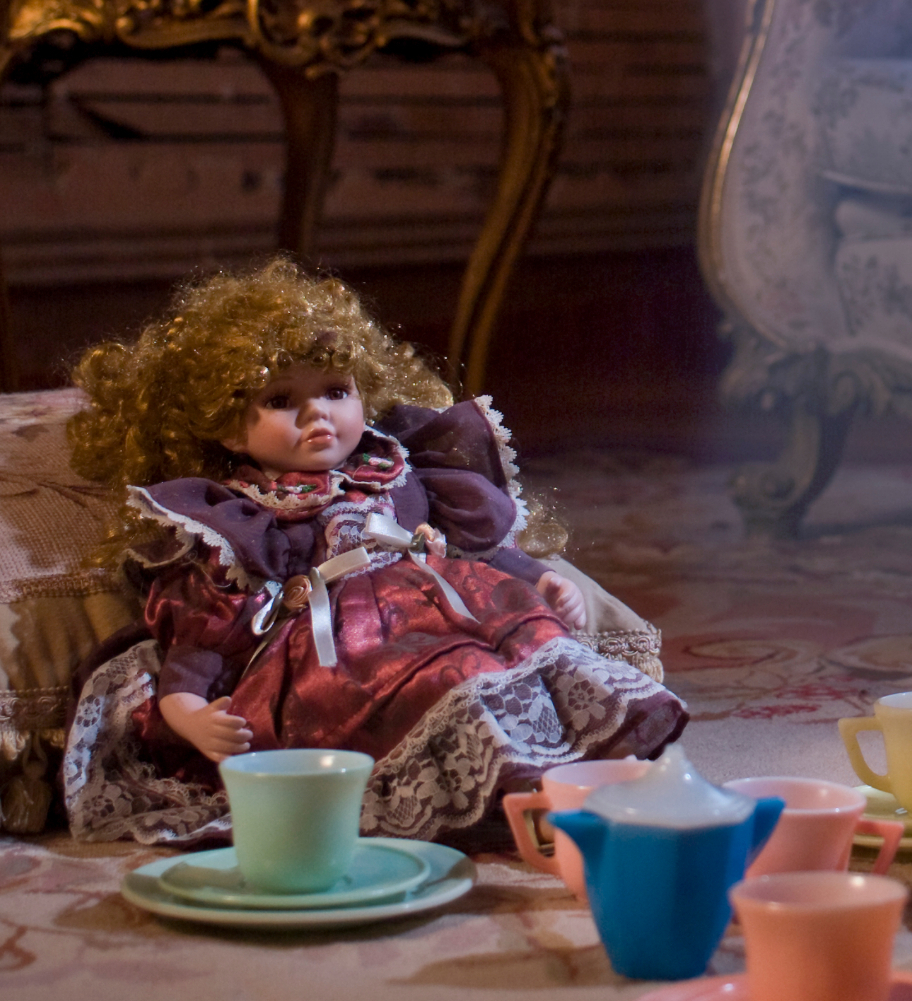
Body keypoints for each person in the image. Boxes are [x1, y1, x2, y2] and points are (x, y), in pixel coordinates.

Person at [59, 260, 685, 845]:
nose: (318, 415)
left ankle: (560, 783)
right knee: (454, 679)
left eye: (336, 390)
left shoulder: (406, 469)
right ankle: (493, 799)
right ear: (225, 425)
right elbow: (208, 621)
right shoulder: (240, 517)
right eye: (280, 401)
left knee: (525, 654)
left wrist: (540, 580)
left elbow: (474, 549)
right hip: (342, 657)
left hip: (456, 608)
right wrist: (187, 709)